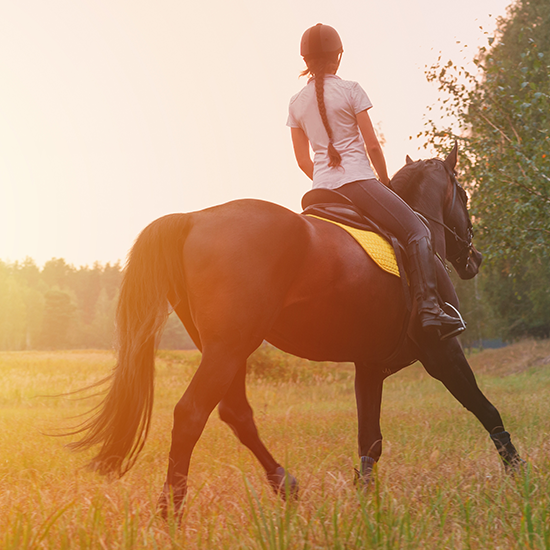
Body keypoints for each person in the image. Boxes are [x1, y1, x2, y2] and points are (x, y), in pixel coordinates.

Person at [287, 23, 464, 340]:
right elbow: (371, 146)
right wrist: (384, 181)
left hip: (319, 194)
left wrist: (325, 178)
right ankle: (429, 308)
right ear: (337, 57)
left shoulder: (296, 103)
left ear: (305, 60)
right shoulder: (351, 90)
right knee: (418, 231)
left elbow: (303, 161)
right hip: (359, 185)